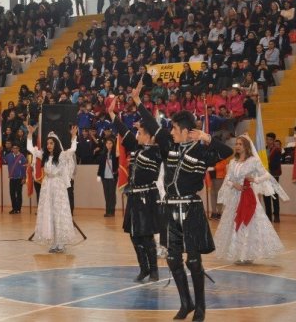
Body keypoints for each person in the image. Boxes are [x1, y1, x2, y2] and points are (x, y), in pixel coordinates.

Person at [132, 82, 234, 321]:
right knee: (172, 258)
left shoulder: (201, 150)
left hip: (191, 209)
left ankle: (200, 307)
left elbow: (227, 153)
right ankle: (185, 303)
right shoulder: (168, 147)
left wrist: (207, 138)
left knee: (194, 261)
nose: (171, 132)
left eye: (176, 128)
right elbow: (154, 126)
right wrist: (138, 102)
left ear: (187, 131)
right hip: (170, 208)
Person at [109, 92, 163, 282]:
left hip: (148, 197)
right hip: (134, 197)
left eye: (140, 132)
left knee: (146, 235)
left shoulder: (157, 151)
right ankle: (144, 268)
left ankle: (154, 270)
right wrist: (112, 114)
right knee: (134, 235)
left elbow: (156, 129)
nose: (137, 134)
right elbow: (124, 132)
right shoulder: (137, 148)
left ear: (149, 136)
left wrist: (140, 105)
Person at [214, 135, 287, 263]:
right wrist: (234, 184)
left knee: (249, 224)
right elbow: (228, 178)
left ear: (247, 147)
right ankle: (237, 253)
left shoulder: (253, 161)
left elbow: (266, 175)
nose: (237, 146)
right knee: (234, 223)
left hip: (248, 198)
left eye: (240, 144)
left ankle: (248, 254)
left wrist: (255, 180)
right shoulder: (233, 162)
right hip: (235, 198)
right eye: (236, 144)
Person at [27, 125, 78, 253]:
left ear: (55, 144)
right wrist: (30, 134)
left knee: (58, 213)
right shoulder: (43, 155)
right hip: (47, 186)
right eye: (47, 143)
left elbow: (73, 149)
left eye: (51, 143)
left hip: (58, 186)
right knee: (49, 213)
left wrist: (73, 136)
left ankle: (60, 242)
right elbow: (29, 148)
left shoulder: (61, 156)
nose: (49, 145)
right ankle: (54, 241)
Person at [96, 138, 118, 217]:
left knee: (112, 194)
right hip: (104, 177)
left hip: (113, 177)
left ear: (113, 144)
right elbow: (101, 166)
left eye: (110, 143)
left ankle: (112, 211)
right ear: (105, 144)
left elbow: (118, 165)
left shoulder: (116, 154)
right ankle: (107, 211)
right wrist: (98, 175)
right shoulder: (103, 154)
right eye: (107, 143)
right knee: (106, 194)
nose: (109, 145)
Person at [264, 132, 282, 222]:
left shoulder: (277, 150)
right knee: (266, 196)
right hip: (265, 177)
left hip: (273, 175)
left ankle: (277, 216)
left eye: (270, 139)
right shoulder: (263, 149)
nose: (268, 141)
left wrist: (267, 165)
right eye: (267, 139)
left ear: (274, 140)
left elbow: (276, 164)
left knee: (274, 196)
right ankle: (268, 216)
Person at [4, 144, 27, 214]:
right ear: (12, 149)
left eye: (16, 148)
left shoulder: (22, 157)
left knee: (19, 194)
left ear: (18, 149)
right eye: (13, 148)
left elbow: (24, 168)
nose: (15, 149)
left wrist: (24, 177)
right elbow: (2, 160)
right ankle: (14, 208)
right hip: (12, 178)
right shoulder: (8, 156)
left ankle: (18, 209)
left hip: (19, 178)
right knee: (12, 193)